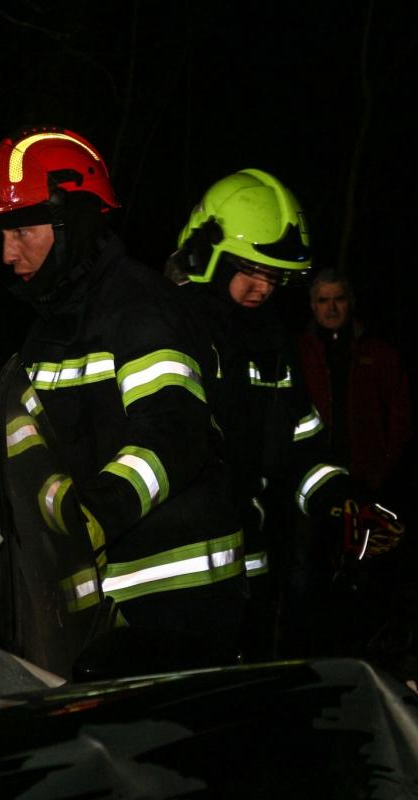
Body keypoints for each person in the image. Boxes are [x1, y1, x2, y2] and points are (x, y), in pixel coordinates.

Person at [0, 127, 247, 665]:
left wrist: (93, 515)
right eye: (1, 234)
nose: (6, 253)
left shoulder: (141, 310)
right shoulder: (43, 333)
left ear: (74, 220)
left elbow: (174, 430)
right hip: (92, 608)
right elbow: (36, 465)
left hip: (174, 602)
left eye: (22, 231)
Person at [165, 169, 402, 658]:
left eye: (274, 277)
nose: (264, 288)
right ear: (208, 254)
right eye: (251, 271)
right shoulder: (163, 332)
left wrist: (343, 502)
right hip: (167, 584)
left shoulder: (270, 344)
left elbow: (300, 447)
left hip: (247, 579)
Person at [297, 269, 412, 495]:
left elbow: (401, 412)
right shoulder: (298, 352)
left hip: (368, 478)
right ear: (313, 305)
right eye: (323, 300)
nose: (331, 308)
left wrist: (387, 462)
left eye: (339, 299)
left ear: (350, 302)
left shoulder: (379, 353)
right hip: (312, 479)